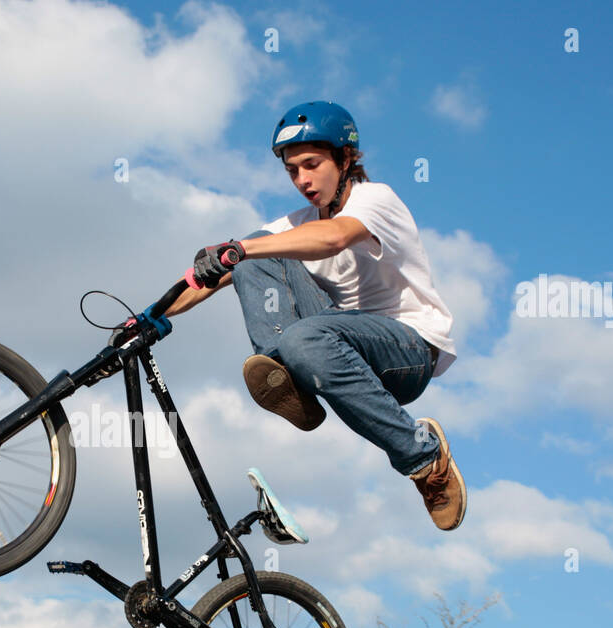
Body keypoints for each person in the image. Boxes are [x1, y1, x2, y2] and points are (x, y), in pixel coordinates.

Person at [146, 100, 466, 531]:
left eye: (312, 165)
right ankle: (293, 381)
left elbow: (333, 237)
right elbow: (210, 276)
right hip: (338, 343)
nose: (302, 180)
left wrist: (240, 247)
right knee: (253, 252)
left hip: (408, 352)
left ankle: (424, 458)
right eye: (293, 171)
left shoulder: (376, 200)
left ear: (345, 157)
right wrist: (148, 318)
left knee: (262, 260)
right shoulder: (296, 222)